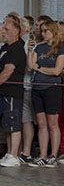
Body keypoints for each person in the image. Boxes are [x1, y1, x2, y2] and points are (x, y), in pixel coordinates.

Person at [0, 15, 27, 167]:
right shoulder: (5, 47)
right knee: (7, 124)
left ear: (16, 31)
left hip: (12, 91)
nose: (3, 32)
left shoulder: (17, 48)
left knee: (14, 123)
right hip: (3, 91)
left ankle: (14, 154)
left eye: (6, 29)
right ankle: (9, 152)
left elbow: (8, 71)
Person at [27, 19, 64, 167]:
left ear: (53, 31)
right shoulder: (39, 47)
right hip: (37, 88)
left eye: (46, 31)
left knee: (52, 124)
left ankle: (53, 155)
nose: (43, 34)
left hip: (52, 88)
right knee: (41, 124)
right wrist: (30, 52)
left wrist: (39, 68)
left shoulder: (61, 48)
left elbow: (57, 71)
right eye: (41, 31)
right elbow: (30, 66)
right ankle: (42, 155)